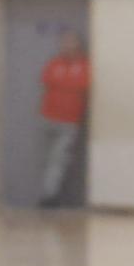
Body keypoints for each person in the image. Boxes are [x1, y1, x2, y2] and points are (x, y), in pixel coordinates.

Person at [38, 29, 91, 207]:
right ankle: (47, 193)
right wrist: (66, 84)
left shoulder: (84, 65)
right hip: (48, 118)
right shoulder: (54, 63)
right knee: (47, 159)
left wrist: (65, 84)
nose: (67, 45)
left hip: (69, 121)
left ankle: (50, 197)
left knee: (59, 160)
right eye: (64, 42)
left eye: (71, 41)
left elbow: (81, 85)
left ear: (78, 44)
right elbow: (47, 81)